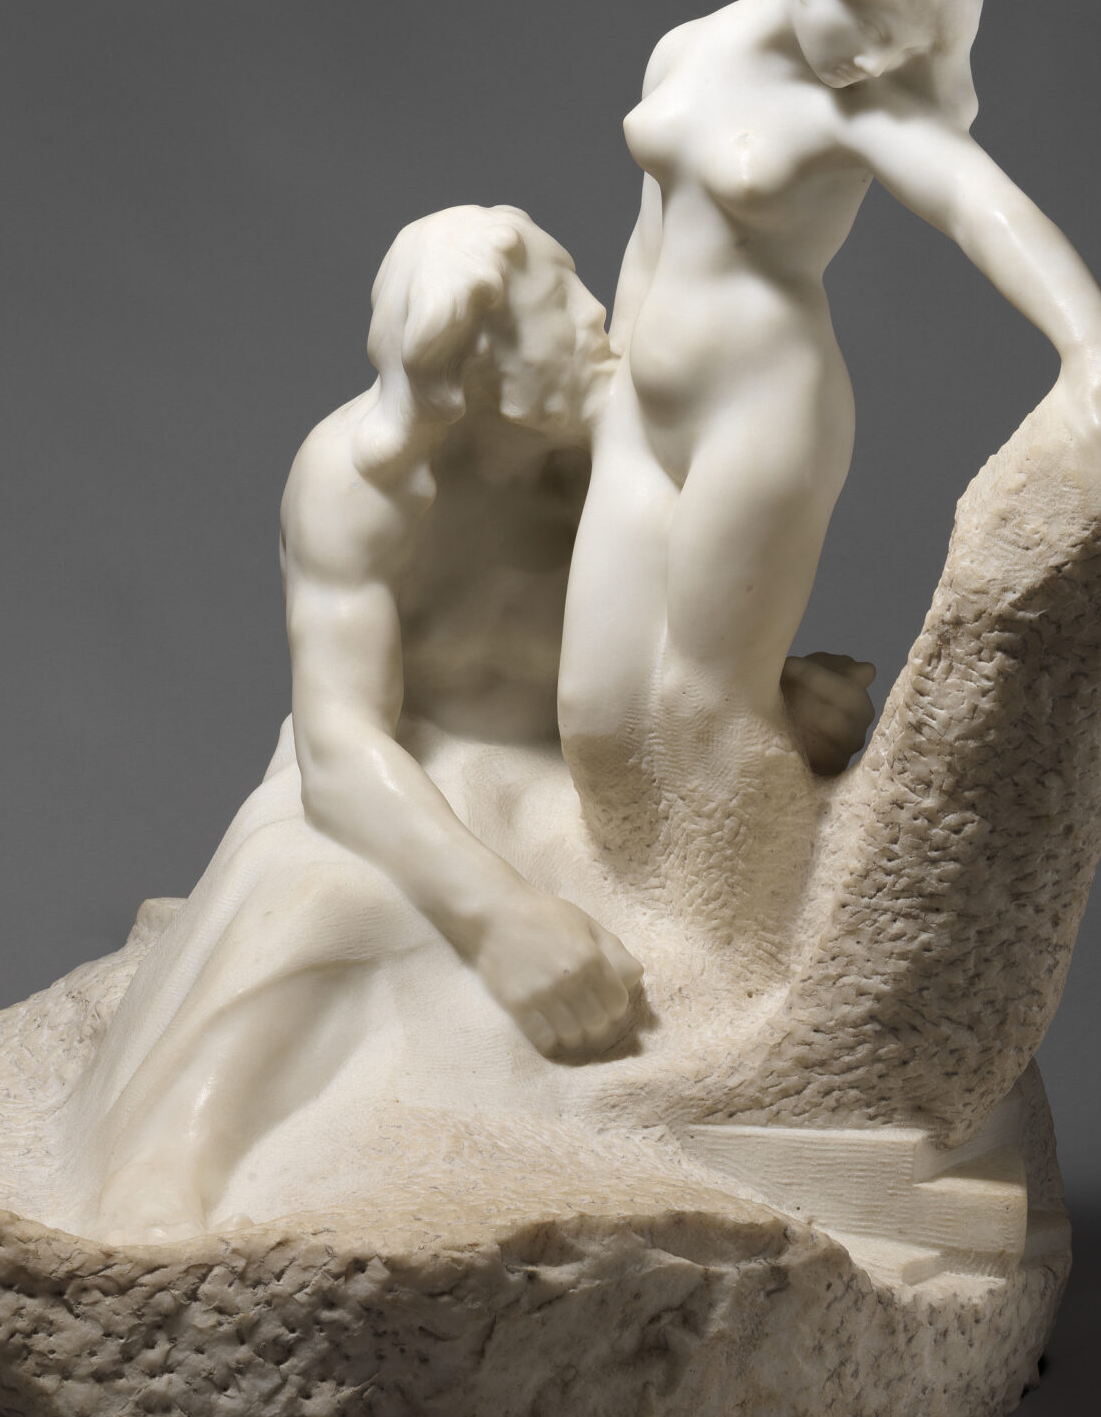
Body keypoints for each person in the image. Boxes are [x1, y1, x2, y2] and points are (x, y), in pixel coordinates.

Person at [70, 205, 876, 1237]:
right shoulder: (357, 481)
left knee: (700, 942)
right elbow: (339, 743)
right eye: (558, 300)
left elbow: (687, 640)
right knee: (314, 893)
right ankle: (165, 1176)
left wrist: (775, 697)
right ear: (476, 362)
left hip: (567, 780)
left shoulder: (620, 455)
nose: (595, 313)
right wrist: (500, 920)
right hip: (397, 778)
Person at [558, 0, 1101, 801]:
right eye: (871, 27)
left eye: (904, 43)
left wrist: (1095, 344)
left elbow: (980, 206)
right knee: (595, 716)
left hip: (759, 407)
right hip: (641, 407)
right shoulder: (689, 48)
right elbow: (652, 231)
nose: (879, 58)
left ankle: (757, 847)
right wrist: (612, 368)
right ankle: (797, 715)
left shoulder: (864, 106)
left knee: (702, 711)